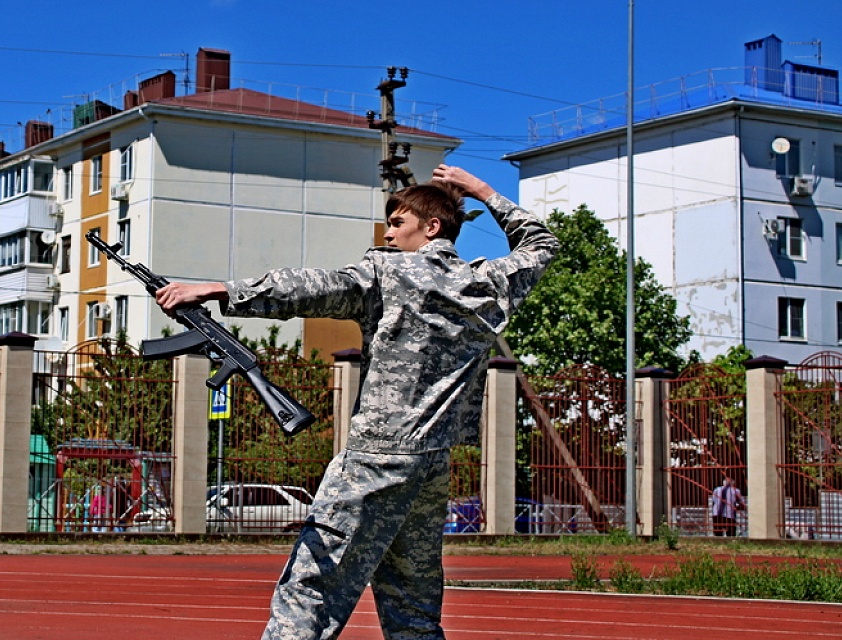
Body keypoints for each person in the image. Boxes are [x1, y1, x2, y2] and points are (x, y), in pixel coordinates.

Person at [155, 164, 557, 639]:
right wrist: (483, 190)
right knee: (413, 607)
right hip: (430, 464)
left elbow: (316, 287)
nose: (387, 234)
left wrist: (223, 290)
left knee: (310, 590)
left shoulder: (390, 272)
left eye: (397, 223)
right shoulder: (484, 284)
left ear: (432, 228)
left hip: (376, 459)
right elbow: (541, 244)